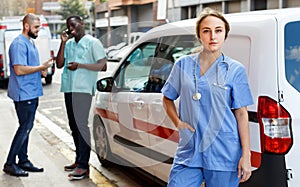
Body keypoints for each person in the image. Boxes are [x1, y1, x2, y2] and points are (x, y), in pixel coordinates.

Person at [161, 7, 253, 187]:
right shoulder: (183, 65)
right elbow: (167, 98)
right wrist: (178, 123)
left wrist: (246, 155)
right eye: (206, 31)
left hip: (224, 151)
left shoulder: (235, 69)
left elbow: (241, 114)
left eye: (218, 30)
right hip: (190, 150)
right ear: (199, 35)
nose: (213, 36)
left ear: (225, 34)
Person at [56, 15, 107, 180]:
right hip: (69, 89)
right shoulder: (69, 44)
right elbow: (59, 64)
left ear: (82, 24)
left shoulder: (93, 43)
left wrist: (81, 65)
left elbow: (103, 65)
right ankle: (79, 160)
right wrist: (63, 42)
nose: (71, 28)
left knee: (81, 126)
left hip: (83, 90)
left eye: (73, 24)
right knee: (73, 125)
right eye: (68, 26)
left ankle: (84, 166)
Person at [3, 13, 53, 177]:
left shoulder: (29, 42)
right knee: (24, 128)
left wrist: (40, 71)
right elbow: (19, 69)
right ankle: (10, 163)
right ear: (26, 26)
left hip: (30, 92)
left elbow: (28, 67)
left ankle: (23, 160)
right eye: (36, 27)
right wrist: (40, 67)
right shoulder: (19, 44)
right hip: (24, 94)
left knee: (27, 127)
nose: (38, 30)